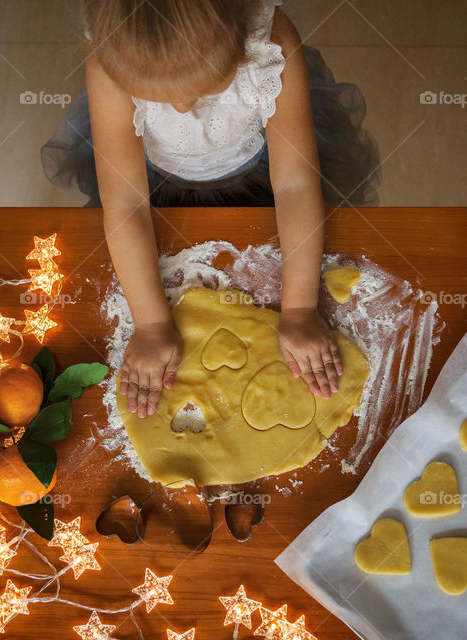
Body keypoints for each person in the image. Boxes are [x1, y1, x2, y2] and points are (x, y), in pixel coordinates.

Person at [42, 0, 380, 418]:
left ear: (238, 42)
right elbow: (127, 203)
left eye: (202, 89)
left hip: (261, 177)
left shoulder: (269, 44)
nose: (181, 107)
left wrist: (298, 310)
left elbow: (294, 185)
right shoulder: (113, 57)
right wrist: (151, 326)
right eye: (156, 97)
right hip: (157, 188)